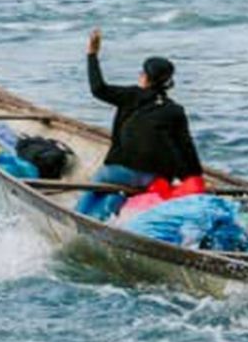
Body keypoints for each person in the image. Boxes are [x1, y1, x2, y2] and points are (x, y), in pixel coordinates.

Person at [76, 28, 203, 220]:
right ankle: (114, 208)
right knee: (124, 191)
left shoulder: (131, 96)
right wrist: (195, 179)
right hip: (154, 178)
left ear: (145, 77)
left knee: (98, 183)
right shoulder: (175, 110)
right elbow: (186, 146)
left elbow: (98, 88)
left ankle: (76, 215)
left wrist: (92, 55)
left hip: (120, 172)